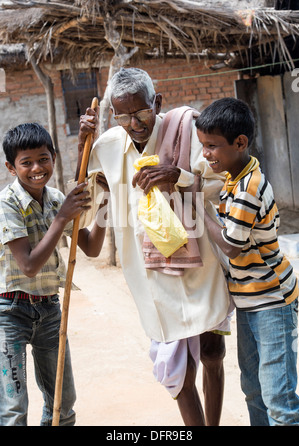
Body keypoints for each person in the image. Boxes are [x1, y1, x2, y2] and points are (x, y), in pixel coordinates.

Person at [77, 67, 233, 426]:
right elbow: (86, 192)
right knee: (178, 369)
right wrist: (80, 145)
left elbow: (220, 183)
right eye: (124, 116)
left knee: (212, 351)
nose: (134, 123)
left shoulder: (188, 130)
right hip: (149, 275)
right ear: (114, 115)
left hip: (200, 263)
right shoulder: (107, 147)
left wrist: (179, 177)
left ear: (157, 102)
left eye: (142, 112)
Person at [195, 97, 299, 426]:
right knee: (253, 389)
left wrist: (198, 209)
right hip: (250, 300)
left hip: (271, 300)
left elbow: (231, 246)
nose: (205, 155)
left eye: (212, 146)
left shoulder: (249, 188)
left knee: (278, 399)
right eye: (203, 146)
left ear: (240, 143)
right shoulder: (233, 177)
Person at [0, 123, 107, 426]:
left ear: (54, 158)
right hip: (11, 311)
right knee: (13, 408)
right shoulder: (7, 203)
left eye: (43, 159)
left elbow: (91, 247)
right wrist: (61, 219)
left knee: (62, 401)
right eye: (27, 162)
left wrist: (104, 205)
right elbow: (29, 266)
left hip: (49, 310)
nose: (37, 168)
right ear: (11, 167)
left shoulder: (58, 198)